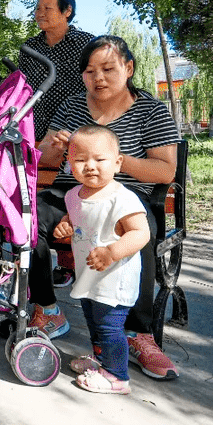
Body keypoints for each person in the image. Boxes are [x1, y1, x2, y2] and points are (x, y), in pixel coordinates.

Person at [29, 35, 182, 381]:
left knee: (140, 233)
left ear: (128, 68)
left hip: (124, 195)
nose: (98, 77)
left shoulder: (150, 110)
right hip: (71, 195)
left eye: (108, 69)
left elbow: (164, 170)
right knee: (26, 220)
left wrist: (111, 158)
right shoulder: (71, 106)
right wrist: (54, 148)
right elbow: (43, 158)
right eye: (89, 71)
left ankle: (139, 333)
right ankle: (48, 308)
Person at [54, 125, 150, 395]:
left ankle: (117, 377)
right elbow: (76, 218)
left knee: (109, 328)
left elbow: (141, 233)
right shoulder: (74, 195)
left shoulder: (122, 198)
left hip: (114, 278)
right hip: (89, 275)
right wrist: (65, 225)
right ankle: (101, 360)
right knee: (94, 323)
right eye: (80, 160)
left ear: (118, 163)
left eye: (99, 159)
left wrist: (112, 252)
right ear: (69, 163)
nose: (90, 166)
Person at [18, 0, 94, 144]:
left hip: (76, 135)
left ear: (67, 11)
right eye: (38, 8)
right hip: (34, 136)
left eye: (47, 8)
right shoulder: (29, 48)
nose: (40, 13)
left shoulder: (87, 44)